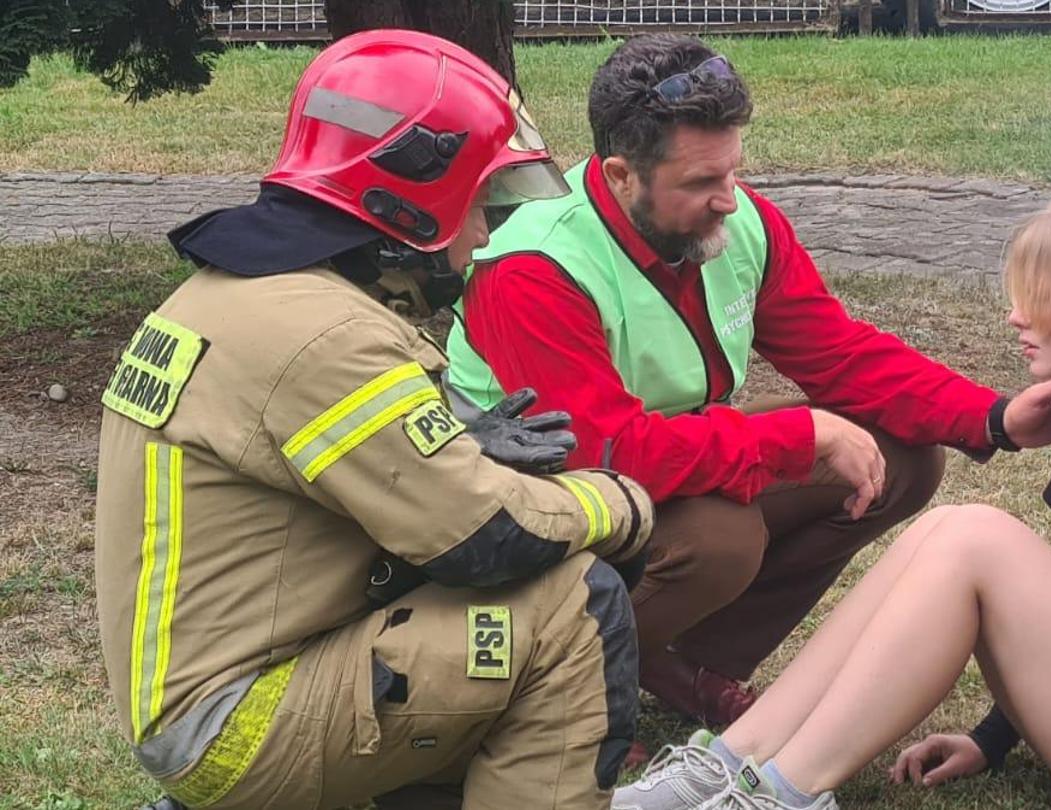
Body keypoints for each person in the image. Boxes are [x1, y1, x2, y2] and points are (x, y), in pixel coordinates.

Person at [99, 30, 654, 809]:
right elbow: (485, 535)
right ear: (409, 201)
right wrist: (621, 504)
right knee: (573, 603)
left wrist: (459, 443)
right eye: (477, 206)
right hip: (239, 721)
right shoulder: (324, 335)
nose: (485, 236)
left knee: (476, 622)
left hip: (221, 688)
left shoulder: (241, 295)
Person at [444, 33, 1051, 730]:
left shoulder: (740, 223)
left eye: (733, 171)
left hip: (645, 469)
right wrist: (798, 437)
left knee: (901, 463)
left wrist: (992, 417)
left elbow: (838, 354)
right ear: (621, 176)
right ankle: (558, 690)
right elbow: (609, 455)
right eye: (702, 183)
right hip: (527, 511)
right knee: (719, 538)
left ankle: (682, 662)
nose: (730, 202)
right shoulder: (536, 267)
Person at [609, 196, 1051, 810]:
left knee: (974, 537)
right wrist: (992, 737)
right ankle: (729, 763)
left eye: (1038, 295)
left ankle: (781, 792)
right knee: (950, 530)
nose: (1016, 314)